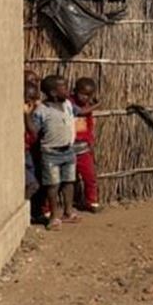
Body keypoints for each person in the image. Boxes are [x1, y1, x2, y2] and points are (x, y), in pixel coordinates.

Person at [33, 75, 79, 229]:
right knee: (52, 185)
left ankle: (68, 211)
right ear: (53, 93)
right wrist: (26, 116)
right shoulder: (42, 110)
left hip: (68, 151)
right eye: (64, 87)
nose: (68, 89)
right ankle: (53, 217)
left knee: (69, 182)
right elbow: (34, 131)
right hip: (50, 153)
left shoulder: (67, 104)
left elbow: (78, 113)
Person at [71, 77, 101, 212]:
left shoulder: (87, 107)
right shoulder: (69, 104)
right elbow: (80, 112)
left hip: (83, 149)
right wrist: (97, 104)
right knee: (61, 180)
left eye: (89, 95)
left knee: (90, 176)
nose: (85, 98)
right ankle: (47, 208)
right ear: (74, 91)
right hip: (67, 149)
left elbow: (89, 128)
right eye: (82, 94)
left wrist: (90, 144)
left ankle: (91, 201)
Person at [23, 82, 40, 202]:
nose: (36, 103)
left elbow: (34, 133)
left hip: (28, 152)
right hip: (22, 153)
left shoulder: (35, 114)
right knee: (32, 184)